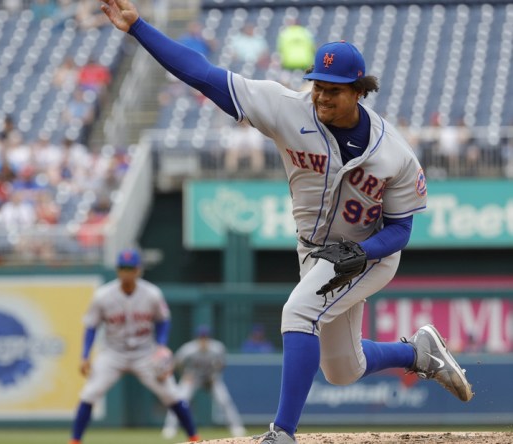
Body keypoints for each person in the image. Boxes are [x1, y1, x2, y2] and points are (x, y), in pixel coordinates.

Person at [99, 1, 474, 442]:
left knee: (298, 311)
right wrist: (139, 27)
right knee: (342, 369)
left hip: (369, 255)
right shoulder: (287, 108)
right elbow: (202, 73)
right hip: (314, 249)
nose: (321, 95)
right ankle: (418, 354)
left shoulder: (395, 155)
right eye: (317, 84)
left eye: (333, 89)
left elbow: (401, 230)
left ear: (358, 90)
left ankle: (283, 432)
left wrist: (361, 252)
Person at [69, 248, 200, 444]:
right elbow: (91, 326)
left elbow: (163, 321)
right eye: (123, 268)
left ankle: (195, 438)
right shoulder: (102, 295)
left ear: (139, 270)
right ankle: (75, 441)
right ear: (117, 269)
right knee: (89, 393)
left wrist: (162, 346)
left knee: (172, 394)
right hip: (113, 353)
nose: (127, 272)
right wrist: (85, 355)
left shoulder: (152, 293)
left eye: (131, 268)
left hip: (145, 353)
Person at [161, 325, 246, 439]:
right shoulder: (188, 349)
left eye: (205, 337)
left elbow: (222, 364)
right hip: (193, 378)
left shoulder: (217, 348)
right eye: (201, 337)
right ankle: (170, 428)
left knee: (224, 400)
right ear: (197, 338)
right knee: (178, 400)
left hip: (210, 378)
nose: (203, 340)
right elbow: (177, 362)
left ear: (209, 338)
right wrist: (185, 374)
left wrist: (215, 375)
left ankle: (236, 427)